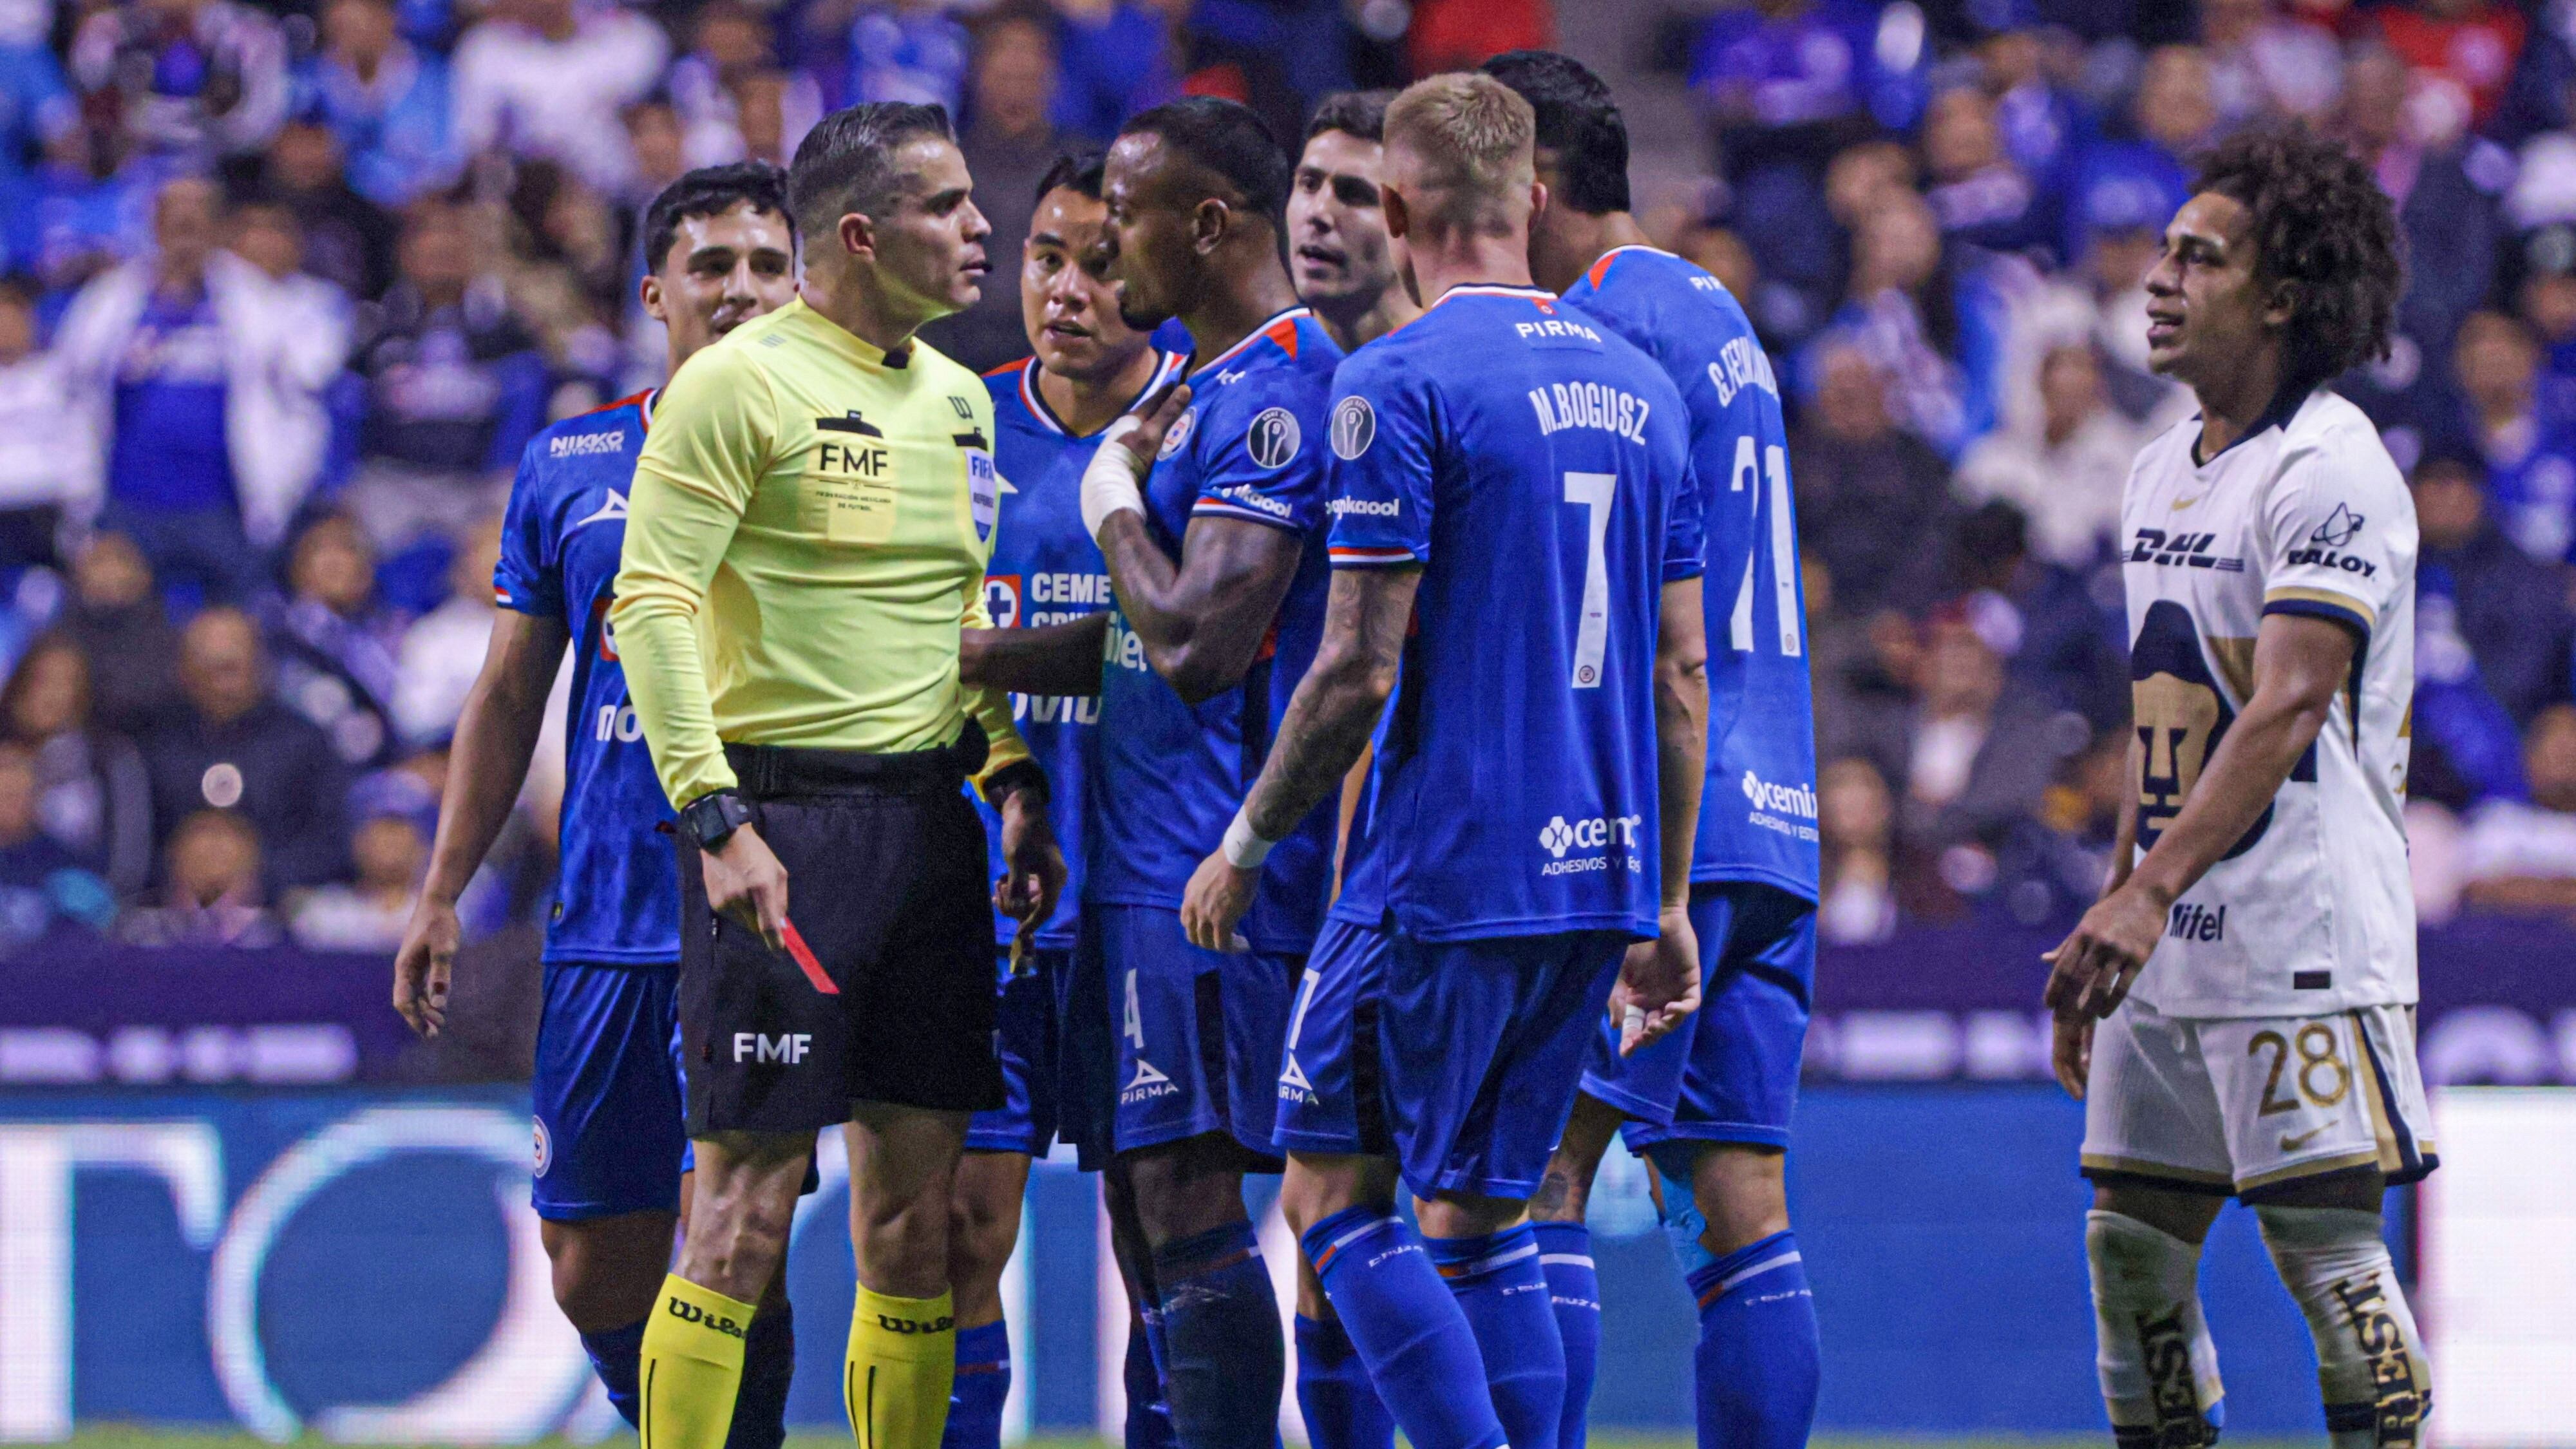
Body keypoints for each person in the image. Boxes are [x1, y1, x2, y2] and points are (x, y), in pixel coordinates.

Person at [1177, 71, 1707, 1449]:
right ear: (1528, 197)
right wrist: (1661, 900)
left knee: (1330, 1203)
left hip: (1439, 874)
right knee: (1477, 1219)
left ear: (1400, 206)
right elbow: (1677, 676)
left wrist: (1244, 846)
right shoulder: (1643, 393)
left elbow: (1355, 667)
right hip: (1592, 879)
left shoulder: (1395, 382)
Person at [607, 104, 1063, 1449]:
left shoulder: (961, 399)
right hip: (781, 829)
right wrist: (713, 815)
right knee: (741, 1214)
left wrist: (1013, 772)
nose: (983, 230)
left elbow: (955, 617)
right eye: (947, 206)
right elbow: (650, 602)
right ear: (861, 234)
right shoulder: (737, 382)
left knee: (914, 1228)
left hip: (930, 829)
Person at [389, 163, 804, 1445]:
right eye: (711, 267)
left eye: (764, 266)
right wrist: (443, 889)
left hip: (762, 906)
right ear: (653, 293)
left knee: (730, 1231)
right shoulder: (571, 460)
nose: (739, 290)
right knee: (592, 1269)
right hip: (604, 917)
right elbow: (510, 695)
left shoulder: (844, 449)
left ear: (800, 287)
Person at [2043, 124, 2432, 1447]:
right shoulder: (2158, 464)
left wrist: (2143, 900)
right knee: (2127, 1257)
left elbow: (2286, 701)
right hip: (2162, 937)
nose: (2157, 278)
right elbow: (2165, 714)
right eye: (2160, 251)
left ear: (2277, 295)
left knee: (2325, 1262)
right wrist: (2110, 922)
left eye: (2194, 258)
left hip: (2296, 938)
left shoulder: (2329, 466)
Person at [1485, 48, 1822, 1449]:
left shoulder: (1593, 337)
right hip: (1779, 805)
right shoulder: (1709, 309)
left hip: (1658, 821)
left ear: (1537, 185)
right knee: (1734, 1201)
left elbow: (1619, 619)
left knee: (1533, 1180)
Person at [1077, 96, 1343, 1449]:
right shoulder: (1200, 388)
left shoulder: (1284, 388)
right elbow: (1137, 633)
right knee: (1143, 1205)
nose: (1096, 247)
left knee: (1189, 1200)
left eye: (1119, 216)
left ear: (1206, 223)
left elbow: (1196, 639)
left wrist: (1110, 504)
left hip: (1216, 870)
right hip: (1142, 862)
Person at [944, 148, 1187, 1449]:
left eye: (1102, 263)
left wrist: (994, 652)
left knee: (1163, 1241)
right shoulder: (953, 426)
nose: (1069, 290)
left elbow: (1214, 647)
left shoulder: (1206, 430)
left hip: (1147, 900)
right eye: (1047, 256)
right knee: (952, 1235)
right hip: (981, 905)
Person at [142, 607, 352, 894]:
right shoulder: (152, 744)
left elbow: (332, 842)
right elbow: (128, 846)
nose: (223, 684)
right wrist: (177, 869)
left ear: (260, 665)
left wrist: (261, 873)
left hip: (283, 911)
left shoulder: (305, 742)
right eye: (210, 669)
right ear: (184, 670)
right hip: (165, 907)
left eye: (233, 668)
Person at [1287, 91, 1419, 354]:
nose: (1319, 212)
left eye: (1355, 195)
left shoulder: (1462, 375)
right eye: (1309, 184)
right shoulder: (1258, 376)